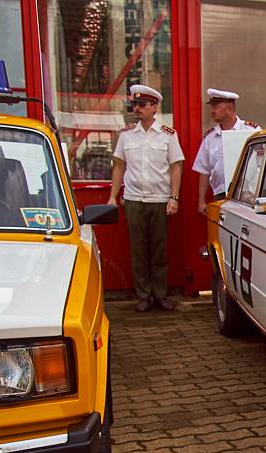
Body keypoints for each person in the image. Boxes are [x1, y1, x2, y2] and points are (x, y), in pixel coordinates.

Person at [108, 84, 184, 312]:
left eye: (142, 105)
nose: (137, 108)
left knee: (159, 250)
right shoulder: (127, 134)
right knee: (138, 250)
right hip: (133, 199)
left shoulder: (168, 135)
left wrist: (174, 197)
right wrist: (113, 196)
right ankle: (143, 295)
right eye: (135, 104)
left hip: (159, 199)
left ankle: (160, 294)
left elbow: (176, 167)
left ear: (154, 107)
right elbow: (119, 166)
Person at [193, 88, 261, 215]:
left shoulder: (251, 131)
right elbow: (204, 171)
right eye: (211, 107)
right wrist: (201, 200)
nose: (212, 111)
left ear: (229, 108)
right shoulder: (210, 137)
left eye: (216, 106)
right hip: (220, 195)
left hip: (248, 195)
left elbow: (263, 163)